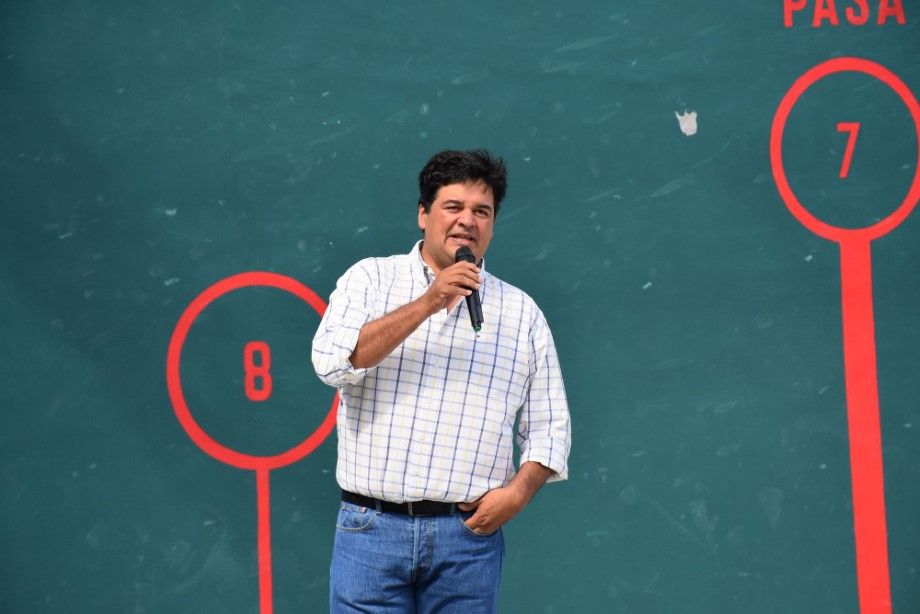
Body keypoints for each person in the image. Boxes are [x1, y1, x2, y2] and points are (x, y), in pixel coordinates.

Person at [312, 149, 571, 613]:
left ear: (493, 224)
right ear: (423, 214)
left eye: (482, 211)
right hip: (371, 530)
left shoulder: (521, 314)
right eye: (453, 207)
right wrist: (429, 301)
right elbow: (331, 363)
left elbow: (550, 427)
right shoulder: (370, 279)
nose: (467, 221)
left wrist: (517, 494)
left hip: (466, 540)